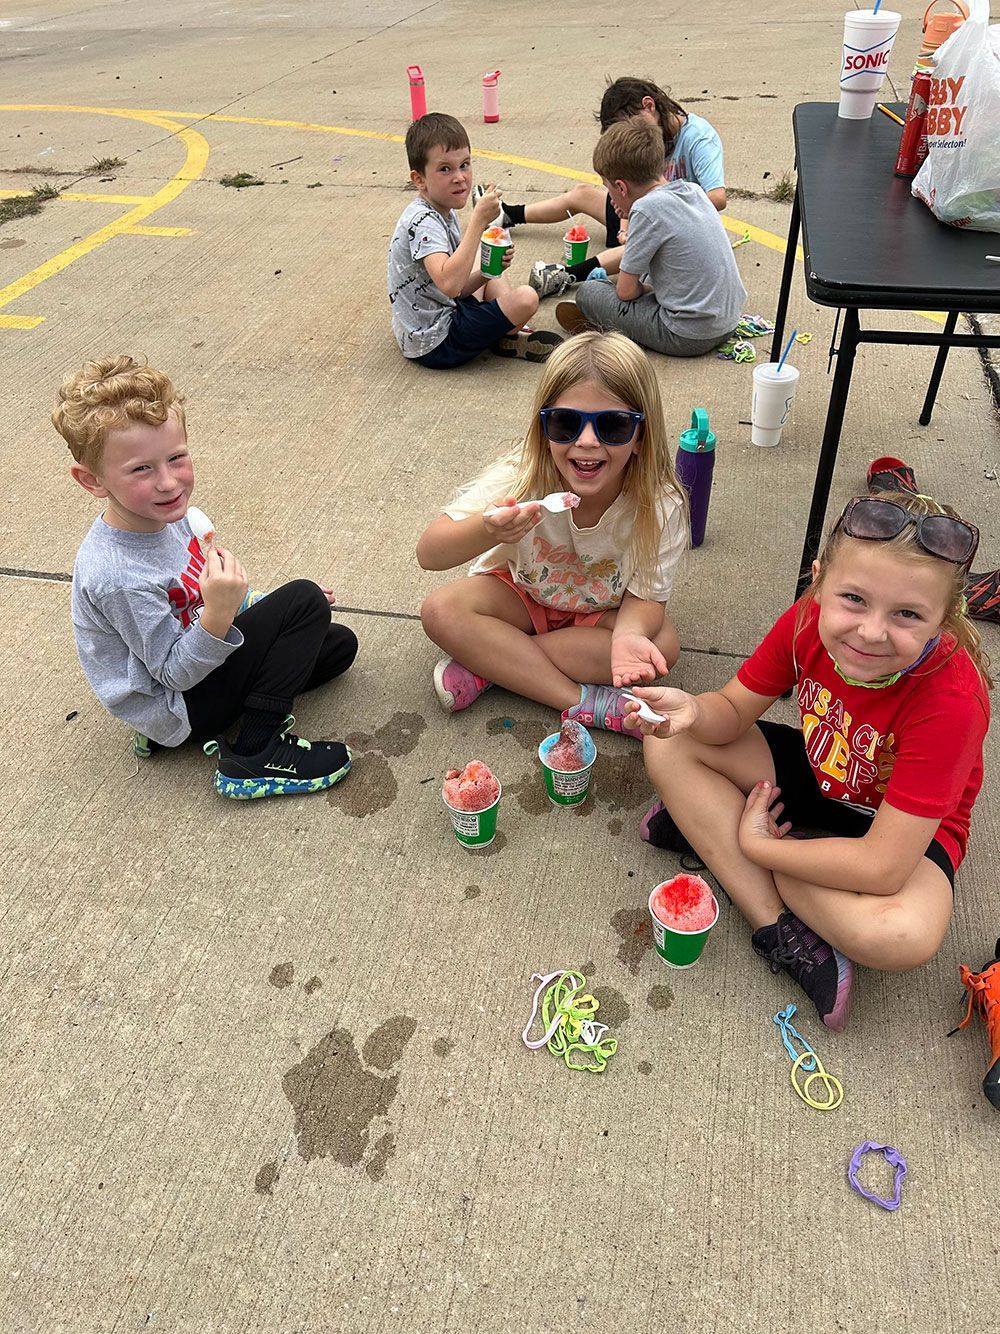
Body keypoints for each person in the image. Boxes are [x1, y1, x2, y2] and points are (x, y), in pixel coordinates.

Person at [626, 491, 991, 1031]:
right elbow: (729, 711)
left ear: (944, 619)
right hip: (826, 772)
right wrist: (693, 709)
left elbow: (884, 867)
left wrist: (757, 846)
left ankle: (719, 839)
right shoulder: (804, 622)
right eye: (854, 599)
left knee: (902, 935)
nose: (871, 631)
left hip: (906, 831)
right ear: (818, 582)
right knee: (667, 739)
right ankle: (781, 930)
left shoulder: (953, 699)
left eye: (908, 614)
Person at [56, 356, 358, 799]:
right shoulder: (117, 575)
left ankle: (222, 714)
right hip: (178, 702)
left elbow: (194, 594)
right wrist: (221, 616)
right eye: (142, 469)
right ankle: (255, 755)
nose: (168, 482)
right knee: (304, 601)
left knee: (336, 646)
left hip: (199, 661)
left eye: (176, 457)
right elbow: (172, 673)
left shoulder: (166, 516)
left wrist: (252, 604)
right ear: (92, 481)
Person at [417, 331, 688, 732]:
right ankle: (582, 702)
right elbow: (430, 553)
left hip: (598, 615)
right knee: (441, 610)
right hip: (521, 597)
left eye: (613, 426)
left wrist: (628, 637)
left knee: (661, 647)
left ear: (640, 436)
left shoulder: (660, 506)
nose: (587, 441)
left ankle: (493, 664)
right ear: (543, 428)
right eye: (565, 423)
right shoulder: (521, 476)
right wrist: (490, 529)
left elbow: (646, 601)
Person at [483, 77, 726, 299]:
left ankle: (565, 275)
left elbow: (718, 197)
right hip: (636, 210)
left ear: (649, 105)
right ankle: (509, 214)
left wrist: (646, 221)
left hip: (673, 224)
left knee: (635, 249)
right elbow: (628, 191)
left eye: (628, 125)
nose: (627, 134)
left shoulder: (699, 138)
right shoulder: (646, 142)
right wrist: (625, 224)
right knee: (582, 193)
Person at [554, 118, 745, 358]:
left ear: (621, 188)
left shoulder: (646, 209)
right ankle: (624, 316)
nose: (611, 197)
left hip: (686, 335)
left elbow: (625, 292)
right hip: (727, 320)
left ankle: (610, 324)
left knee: (590, 292)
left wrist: (637, 289)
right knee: (645, 272)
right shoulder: (693, 190)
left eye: (609, 189)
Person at [387, 112, 561, 368]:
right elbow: (449, 285)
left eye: (464, 164)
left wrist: (488, 273)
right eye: (445, 169)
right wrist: (478, 221)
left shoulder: (440, 210)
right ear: (419, 180)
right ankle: (507, 333)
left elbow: (455, 288)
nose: (459, 177)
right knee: (526, 298)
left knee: (486, 256)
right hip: (436, 342)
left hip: (439, 314)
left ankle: (504, 327)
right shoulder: (423, 222)